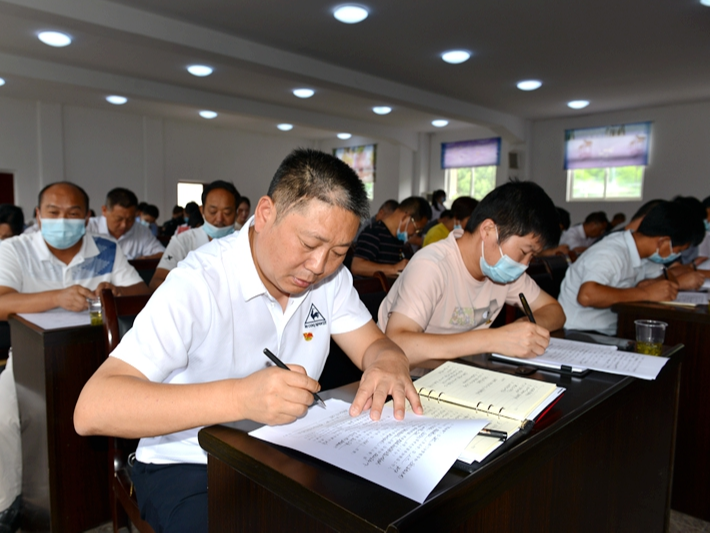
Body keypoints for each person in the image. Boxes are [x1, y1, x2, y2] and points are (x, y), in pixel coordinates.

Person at [74, 149, 422, 533]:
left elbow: (375, 345)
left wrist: (389, 361)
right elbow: (92, 410)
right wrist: (241, 398)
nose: (319, 266)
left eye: (339, 252)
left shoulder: (331, 281)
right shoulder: (198, 282)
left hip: (285, 449)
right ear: (266, 212)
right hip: (190, 464)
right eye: (309, 244)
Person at [0, 182, 148, 532]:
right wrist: (56, 297)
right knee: (5, 416)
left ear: (88, 218)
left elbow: (140, 293)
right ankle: (8, 503)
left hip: (98, 357)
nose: (62, 220)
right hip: (29, 358)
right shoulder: (15, 250)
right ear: (38, 215)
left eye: (73, 213)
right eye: (53, 212)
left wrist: (113, 291)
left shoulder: (105, 250)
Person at [378, 181, 565, 368]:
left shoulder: (504, 272)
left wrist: (524, 329)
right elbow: (397, 343)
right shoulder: (433, 265)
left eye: (532, 257)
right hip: (408, 378)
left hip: (461, 375)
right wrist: (494, 339)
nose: (525, 264)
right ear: (488, 230)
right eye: (524, 252)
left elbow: (554, 311)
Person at [558, 201, 705, 335]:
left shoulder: (643, 255)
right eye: (678, 250)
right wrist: (645, 293)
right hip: (581, 331)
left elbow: (666, 277)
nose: (676, 255)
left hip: (612, 328)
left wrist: (653, 285)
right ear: (664, 241)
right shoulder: (611, 252)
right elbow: (587, 295)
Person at [150, 181, 240, 291]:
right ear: (202, 210)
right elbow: (157, 281)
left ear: (236, 213)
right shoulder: (183, 241)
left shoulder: (244, 241)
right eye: (212, 211)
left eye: (227, 213)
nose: (219, 219)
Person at [351, 197, 431, 278]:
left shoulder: (401, 241)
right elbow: (357, 267)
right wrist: (393, 269)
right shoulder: (373, 232)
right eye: (416, 229)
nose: (414, 234)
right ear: (405, 217)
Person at [87, 188, 165, 260]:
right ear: (104, 211)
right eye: (118, 219)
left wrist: (145, 259)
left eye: (130, 219)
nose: (124, 225)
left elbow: (164, 254)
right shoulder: (87, 227)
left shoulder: (141, 231)